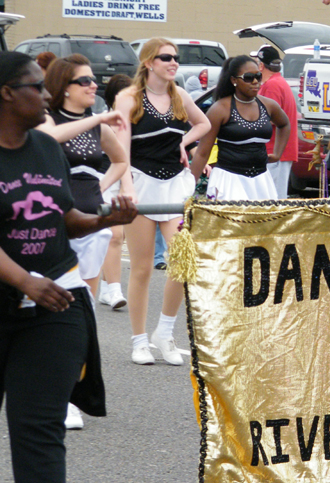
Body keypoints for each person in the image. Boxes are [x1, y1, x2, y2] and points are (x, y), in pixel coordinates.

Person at [0, 51, 136, 483]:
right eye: (37, 87)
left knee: (39, 430)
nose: (48, 95)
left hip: (52, 304)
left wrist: (107, 218)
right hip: (20, 290)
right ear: (8, 93)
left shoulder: (43, 147)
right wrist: (22, 279)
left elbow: (64, 214)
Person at [114, 38, 211, 366]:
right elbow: (121, 152)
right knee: (141, 268)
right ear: (148, 63)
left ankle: (165, 332)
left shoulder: (179, 95)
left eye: (176, 58)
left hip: (174, 186)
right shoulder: (128, 99)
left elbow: (204, 123)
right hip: (141, 185)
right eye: (166, 57)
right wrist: (128, 190)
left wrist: (183, 142)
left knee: (184, 260)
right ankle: (139, 340)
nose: (174, 63)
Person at [38, 55, 129, 300]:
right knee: (57, 300)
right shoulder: (46, 119)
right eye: (85, 80)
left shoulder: (97, 127)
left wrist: (102, 185)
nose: (93, 85)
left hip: (91, 221)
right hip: (55, 226)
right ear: (65, 87)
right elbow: (51, 137)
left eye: (93, 79)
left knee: (85, 300)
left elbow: (121, 161)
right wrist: (97, 118)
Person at [191, 55, 288, 200]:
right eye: (248, 77)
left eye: (258, 76)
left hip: (261, 180)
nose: (255, 82)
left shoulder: (268, 105)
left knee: (264, 221)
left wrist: (277, 154)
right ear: (234, 80)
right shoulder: (220, 109)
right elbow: (202, 153)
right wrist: (188, 189)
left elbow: (284, 124)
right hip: (229, 180)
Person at [98, 73, 133, 311]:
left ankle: (104, 287)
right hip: (103, 182)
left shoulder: (139, 122)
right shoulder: (101, 122)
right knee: (113, 236)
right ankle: (114, 290)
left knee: (111, 238)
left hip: (130, 183)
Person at [256, 45, 298, 199]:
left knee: (272, 200)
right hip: (279, 151)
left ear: (261, 65)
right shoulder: (278, 82)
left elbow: (270, 119)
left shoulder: (272, 85)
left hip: (275, 152)